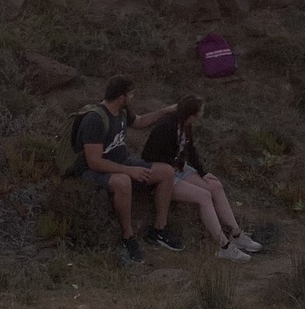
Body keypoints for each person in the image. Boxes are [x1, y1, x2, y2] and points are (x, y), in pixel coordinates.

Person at [75, 75, 184, 265]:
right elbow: (94, 162)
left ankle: (159, 230)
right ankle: (128, 237)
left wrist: (164, 111)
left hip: (121, 163)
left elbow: (139, 122)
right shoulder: (95, 119)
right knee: (123, 181)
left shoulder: (122, 112)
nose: (132, 97)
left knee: (166, 172)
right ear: (121, 97)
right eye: (130, 94)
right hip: (92, 172)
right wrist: (129, 171)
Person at [142, 95, 264, 262]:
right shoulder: (166, 126)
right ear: (191, 113)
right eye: (199, 112)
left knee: (215, 186)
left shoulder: (186, 126)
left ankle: (236, 234)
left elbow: (191, 150)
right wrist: (172, 164)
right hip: (165, 175)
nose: (200, 116)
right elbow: (148, 156)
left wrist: (202, 172)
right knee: (204, 196)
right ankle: (224, 246)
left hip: (179, 168)